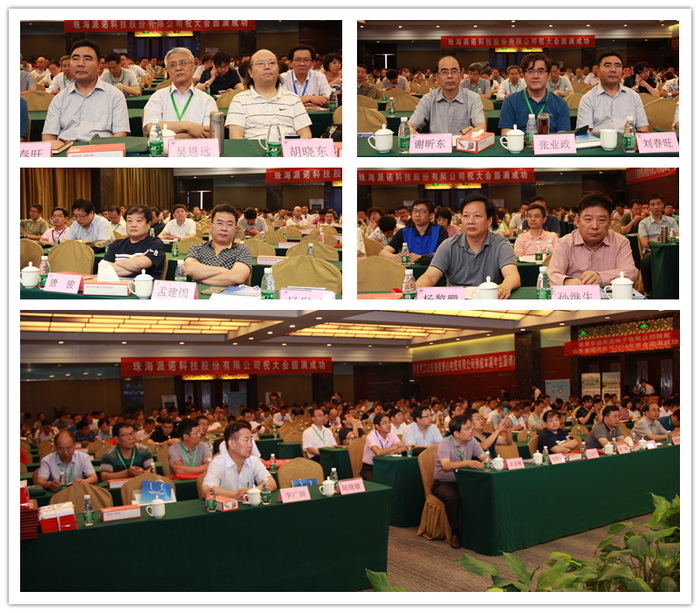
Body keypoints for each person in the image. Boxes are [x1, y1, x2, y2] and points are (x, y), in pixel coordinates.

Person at [416, 194, 520, 298]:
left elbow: (512, 275)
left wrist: (505, 287)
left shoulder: (501, 244)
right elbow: (430, 276)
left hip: (488, 300)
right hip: (455, 302)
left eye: (477, 216)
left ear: (489, 221)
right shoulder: (448, 245)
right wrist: (419, 287)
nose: (470, 221)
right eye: (466, 216)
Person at [42, 39, 130, 147]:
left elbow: (120, 134)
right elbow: (48, 135)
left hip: (101, 151)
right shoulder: (59, 98)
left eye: (87, 59)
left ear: (99, 66)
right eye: (75, 59)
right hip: (66, 151)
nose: (80, 64)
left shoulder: (115, 96)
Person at [548, 193, 638, 287]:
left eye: (601, 220)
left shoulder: (621, 242)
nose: (594, 226)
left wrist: (601, 277)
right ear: (577, 221)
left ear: (609, 223)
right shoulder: (564, 243)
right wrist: (566, 282)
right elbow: (552, 274)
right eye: (588, 219)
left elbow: (631, 272)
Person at [226, 49, 312, 140]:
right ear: (250, 72)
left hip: (287, 147)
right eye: (260, 63)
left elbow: (306, 135)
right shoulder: (239, 100)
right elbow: (235, 137)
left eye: (272, 63)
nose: (267, 67)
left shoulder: (293, 99)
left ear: (278, 70)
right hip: (253, 147)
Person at [433, 415, 488, 549]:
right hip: (444, 482)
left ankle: (478, 530)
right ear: (456, 433)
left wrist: (492, 462)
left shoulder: (472, 440)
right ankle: (455, 532)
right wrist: (467, 463)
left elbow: (484, 458)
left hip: (464, 481)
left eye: (471, 428)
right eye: (467, 429)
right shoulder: (445, 443)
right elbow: (446, 466)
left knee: (483, 491)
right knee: (453, 498)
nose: (471, 431)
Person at [142, 47, 218, 139]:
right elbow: (151, 127)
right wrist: (187, 126)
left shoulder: (207, 100)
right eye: (172, 65)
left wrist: (168, 136)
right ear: (168, 70)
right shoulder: (158, 96)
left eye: (183, 63)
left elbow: (209, 133)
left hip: (195, 149)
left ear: (192, 66)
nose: (178, 68)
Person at [408, 56, 486, 136]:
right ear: (437, 77)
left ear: (461, 75)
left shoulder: (473, 98)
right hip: (437, 144)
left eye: (454, 71)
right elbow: (411, 125)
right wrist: (410, 130)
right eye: (444, 72)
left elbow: (481, 126)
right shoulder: (428, 99)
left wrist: (475, 131)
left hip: (464, 143)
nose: (449, 76)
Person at [576, 51, 649, 134]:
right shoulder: (588, 98)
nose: (613, 70)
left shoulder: (634, 96)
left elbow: (643, 127)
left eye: (617, 66)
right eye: (607, 66)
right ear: (598, 71)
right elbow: (585, 132)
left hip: (628, 141)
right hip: (598, 140)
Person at [201, 421, 276, 500]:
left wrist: (253, 491)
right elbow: (206, 490)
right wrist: (236, 495)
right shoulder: (218, 463)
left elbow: (271, 483)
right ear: (232, 444)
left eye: (251, 440)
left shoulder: (253, 460)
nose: (250, 445)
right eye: (246, 440)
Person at [499, 53, 570, 135]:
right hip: (520, 143)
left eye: (540, 71)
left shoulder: (561, 104)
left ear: (548, 75)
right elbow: (505, 133)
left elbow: (563, 135)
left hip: (549, 143)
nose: (535, 76)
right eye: (530, 71)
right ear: (524, 76)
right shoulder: (510, 101)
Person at [184, 203, 251, 286]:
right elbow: (189, 269)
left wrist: (199, 277)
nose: (224, 228)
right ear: (211, 226)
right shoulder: (197, 248)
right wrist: (225, 271)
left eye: (229, 224)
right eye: (219, 223)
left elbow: (238, 277)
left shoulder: (242, 250)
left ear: (235, 229)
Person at [103, 204, 166, 279]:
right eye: (129, 221)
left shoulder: (155, 243)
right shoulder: (116, 244)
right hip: (117, 285)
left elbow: (142, 263)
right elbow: (104, 269)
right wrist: (137, 267)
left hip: (144, 285)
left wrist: (116, 264)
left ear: (149, 224)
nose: (133, 225)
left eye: (139, 221)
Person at [379, 199, 448, 264]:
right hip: (408, 271)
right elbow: (382, 253)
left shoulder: (440, 230)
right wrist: (394, 257)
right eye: (415, 211)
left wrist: (420, 257)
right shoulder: (404, 232)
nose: (417, 214)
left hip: (434, 270)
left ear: (431, 215)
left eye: (422, 211)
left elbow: (444, 254)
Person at [638, 194, 679, 296]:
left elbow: (678, 237)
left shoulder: (671, 221)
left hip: (669, 251)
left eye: (658, 204)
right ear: (649, 207)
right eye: (653, 204)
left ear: (663, 205)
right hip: (652, 252)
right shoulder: (644, 223)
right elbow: (645, 243)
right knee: (646, 260)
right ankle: (648, 291)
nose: (656, 207)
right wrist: (661, 239)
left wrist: (656, 239)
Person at [360, 413, 406, 481]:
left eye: (389, 422)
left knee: (400, 478)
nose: (388, 425)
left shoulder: (391, 433)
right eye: (384, 423)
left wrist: (392, 451)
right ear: (377, 426)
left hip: (387, 465)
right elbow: (377, 452)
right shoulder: (371, 436)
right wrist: (392, 448)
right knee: (379, 483)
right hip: (371, 468)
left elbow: (403, 447)